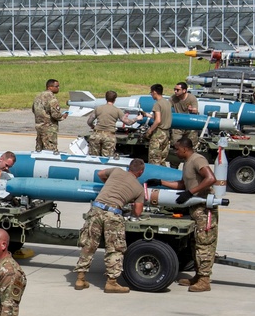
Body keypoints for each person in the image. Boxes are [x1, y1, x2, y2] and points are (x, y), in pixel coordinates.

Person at [73, 159, 146, 293]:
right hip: (113, 214)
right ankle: (111, 283)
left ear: (128, 167)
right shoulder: (139, 188)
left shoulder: (116, 171)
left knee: (89, 244)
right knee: (114, 248)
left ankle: (80, 279)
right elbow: (137, 212)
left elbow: (100, 173)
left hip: (96, 210)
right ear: (140, 172)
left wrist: (110, 186)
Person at [154, 138, 218, 292]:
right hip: (195, 208)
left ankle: (204, 280)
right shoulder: (187, 163)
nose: (175, 152)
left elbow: (211, 178)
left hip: (204, 209)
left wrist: (191, 192)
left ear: (184, 148)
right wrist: (161, 182)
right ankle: (198, 275)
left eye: (177, 149)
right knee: (195, 243)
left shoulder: (197, 160)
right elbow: (183, 184)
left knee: (205, 243)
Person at [86, 91, 140, 157]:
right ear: (115, 99)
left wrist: (93, 126)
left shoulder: (98, 108)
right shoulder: (117, 110)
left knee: (93, 158)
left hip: (96, 135)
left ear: (105, 98)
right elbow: (128, 122)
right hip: (109, 136)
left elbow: (89, 121)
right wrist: (137, 118)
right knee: (107, 159)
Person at [32, 78, 68, 152]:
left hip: (39, 127)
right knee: (50, 151)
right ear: (50, 87)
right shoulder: (51, 98)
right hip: (49, 129)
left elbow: (34, 109)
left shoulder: (38, 96)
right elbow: (55, 114)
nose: (58, 88)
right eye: (56, 86)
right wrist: (63, 116)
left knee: (39, 150)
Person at [145, 83, 172, 166]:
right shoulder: (167, 103)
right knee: (162, 160)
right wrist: (147, 115)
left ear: (154, 92)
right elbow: (161, 117)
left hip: (158, 134)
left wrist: (150, 131)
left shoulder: (157, 104)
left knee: (154, 160)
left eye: (151, 93)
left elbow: (158, 120)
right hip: (166, 134)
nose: (151, 95)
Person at [170, 82, 200, 148]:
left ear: (184, 90)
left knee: (192, 144)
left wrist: (191, 110)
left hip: (190, 125)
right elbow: (167, 106)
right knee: (176, 142)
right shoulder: (173, 98)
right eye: (174, 89)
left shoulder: (192, 98)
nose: (175, 91)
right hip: (178, 125)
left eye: (177, 90)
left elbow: (195, 110)